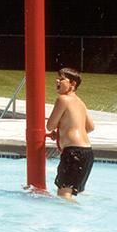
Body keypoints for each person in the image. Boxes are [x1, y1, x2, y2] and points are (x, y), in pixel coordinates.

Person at [46, 68, 97, 200]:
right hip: (87, 153)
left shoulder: (63, 99)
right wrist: (68, 132)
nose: (57, 80)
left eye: (62, 79)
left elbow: (50, 126)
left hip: (74, 152)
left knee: (64, 195)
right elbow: (90, 127)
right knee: (72, 194)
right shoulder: (80, 102)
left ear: (73, 84)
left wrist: (60, 132)